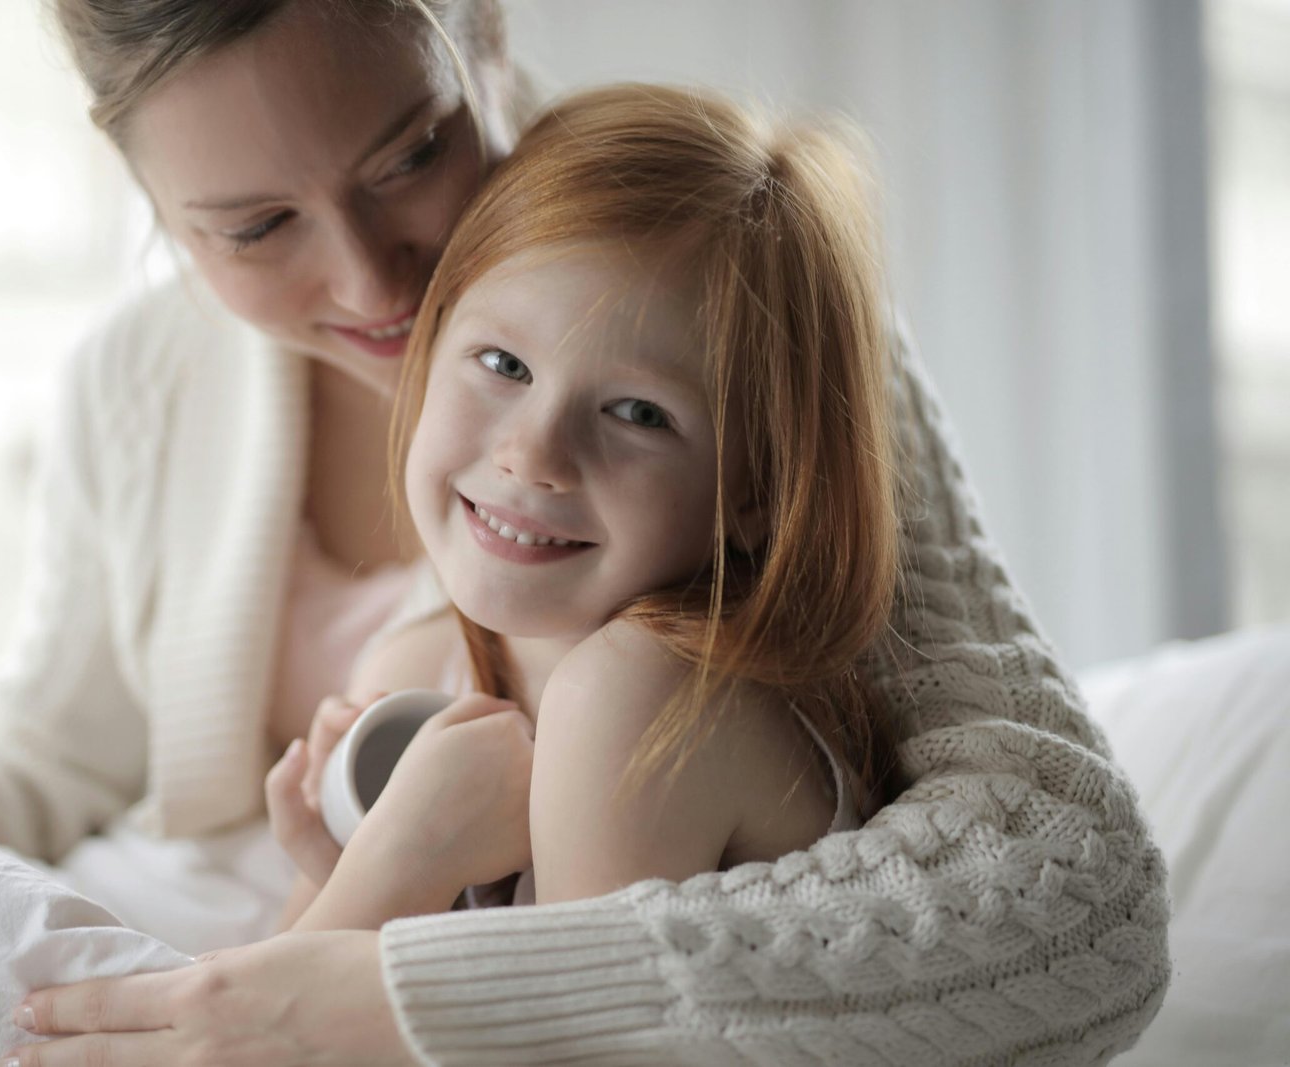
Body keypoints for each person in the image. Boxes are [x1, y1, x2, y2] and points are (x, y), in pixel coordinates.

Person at [0, 0, 1166, 1062]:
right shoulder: (140, 379)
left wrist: (383, 971)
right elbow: (49, 790)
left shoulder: (729, 288)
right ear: (160, 217)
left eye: (412, 152)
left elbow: (1071, 886)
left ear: (478, 26)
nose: (373, 278)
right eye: (253, 228)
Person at [267, 85, 902, 934]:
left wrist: (394, 868)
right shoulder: (417, 676)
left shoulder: (642, 697)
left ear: (756, 496)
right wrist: (337, 870)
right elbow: (246, 1014)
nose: (532, 454)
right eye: (502, 361)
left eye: (639, 414)